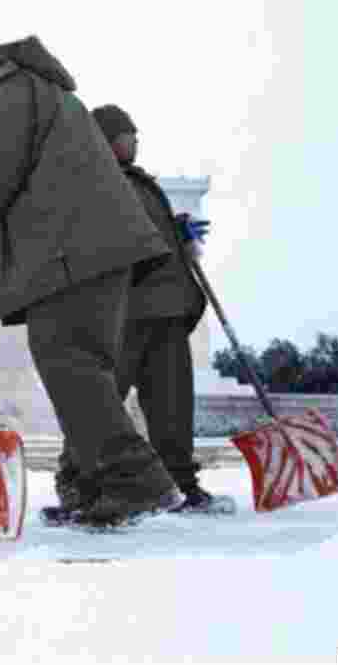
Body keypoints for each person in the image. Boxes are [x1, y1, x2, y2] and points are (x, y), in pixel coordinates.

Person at [0, 35, 179, 527]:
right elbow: (24, 166)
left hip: (71, 253)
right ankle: (93, 487)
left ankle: (139, 482)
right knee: (84, 370)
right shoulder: (38, 90)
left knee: (68, 363)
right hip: (91, 250)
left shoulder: (7, 87)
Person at [90, 104, 228, 514]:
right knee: (102, 406)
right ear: (107, 140)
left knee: (172, 404)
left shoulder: (143, 184)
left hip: (168, 310)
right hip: (127, 313)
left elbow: (149, 229)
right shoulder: (96, 183)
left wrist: (177, 228)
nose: (133, 140)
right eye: (125, 134)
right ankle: (86, 487)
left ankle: (181, 483)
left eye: (134, 134)